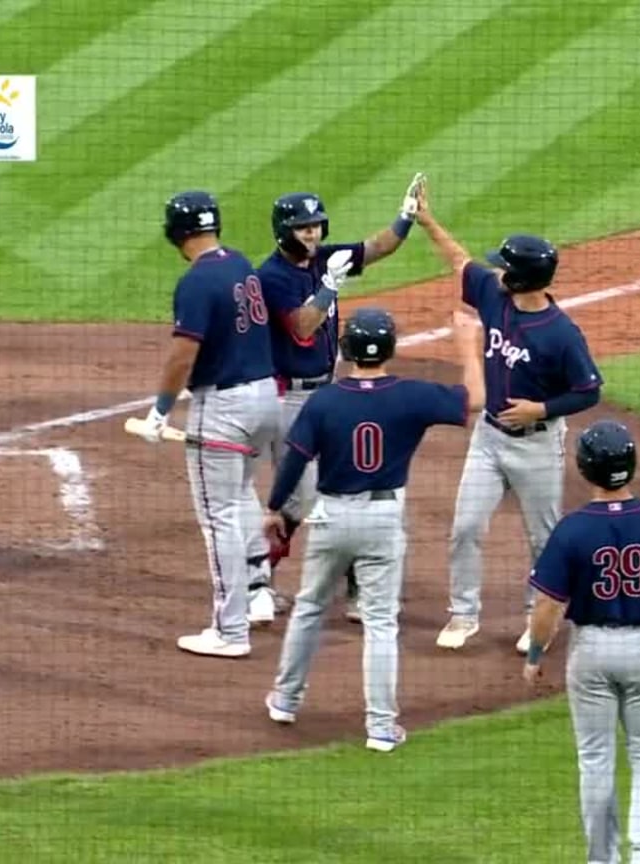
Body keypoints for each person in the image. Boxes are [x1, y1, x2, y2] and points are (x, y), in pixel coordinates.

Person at [263, 306, 482, 752]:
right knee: (381, 623)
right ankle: (381, 727)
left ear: (345, 349)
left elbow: (294, 460)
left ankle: (285, 700)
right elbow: (474, 400)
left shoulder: (325, 399)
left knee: (309, 607)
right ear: (391, 348)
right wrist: (467, 346)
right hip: (383, 518)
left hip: (331, 516)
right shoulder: (412, 395)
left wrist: (274, 509)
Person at [416, 200, 604, 653]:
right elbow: (460, 261)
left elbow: (589, 390)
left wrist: (541, 410)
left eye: (506, 268)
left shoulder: (561, 334)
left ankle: (535, 617)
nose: (496, 272)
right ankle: (463, 614)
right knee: (465, 526)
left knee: (543, 537)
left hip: (536, 447)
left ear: (522, 279)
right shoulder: (492, 296)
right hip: (488, 438)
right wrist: (427, 220)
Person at [251, 174, 428, 626]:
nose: (312, 233)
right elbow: (302, 327)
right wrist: (328, 286)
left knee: (344, 483)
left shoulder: (323, 259)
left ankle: (355, 589)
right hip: (290, 400)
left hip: (327, 393)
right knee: (302, 498)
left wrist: (406, 215)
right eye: (303, 227)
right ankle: (254, 582)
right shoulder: (270, 277)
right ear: (283, 231)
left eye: (316, 226)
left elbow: (377, 247)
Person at [521, 419, 640, 864]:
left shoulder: (573, 529)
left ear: (585, 468)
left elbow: (546, 605)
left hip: (592, 651)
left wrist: (536, 653)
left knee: (596, 759)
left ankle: (601, 860)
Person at [134, 190, 282, 659]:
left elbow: (183, 354)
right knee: (239, 495)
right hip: (264, 399)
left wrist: (160, 412)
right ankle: (259, 595)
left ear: (176, 234)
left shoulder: (196, 281)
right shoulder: (240, 264)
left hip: (224, 409)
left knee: (216, 517)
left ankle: (230, 630)